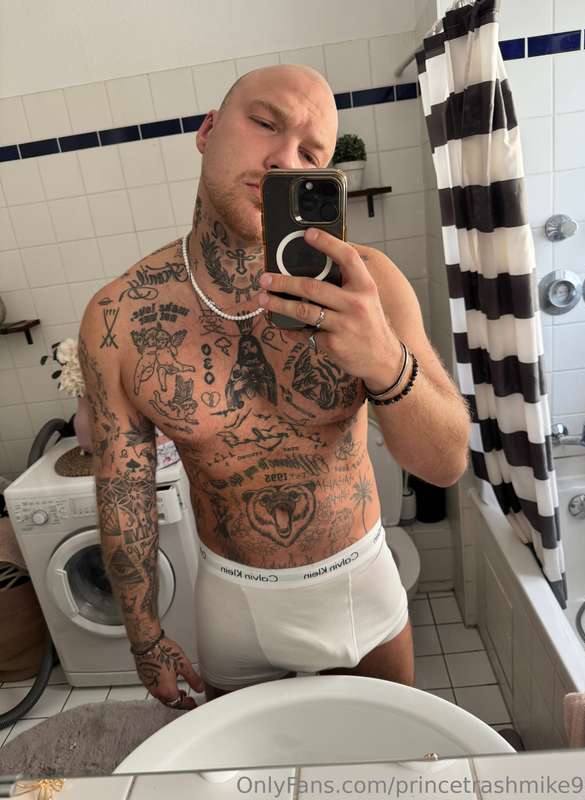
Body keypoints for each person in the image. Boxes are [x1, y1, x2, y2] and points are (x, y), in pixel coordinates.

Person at [79, 64, 471, 711]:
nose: (284, 158)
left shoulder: (369, 285)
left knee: (387, 757)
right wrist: (144, 637)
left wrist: (382, 358)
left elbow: (446, 462)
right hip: (234, 602)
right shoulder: (119, 317)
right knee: (252, 763)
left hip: (358, 586)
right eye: (265, 122)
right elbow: (124, 490)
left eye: (311, 154)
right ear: (208, 130)